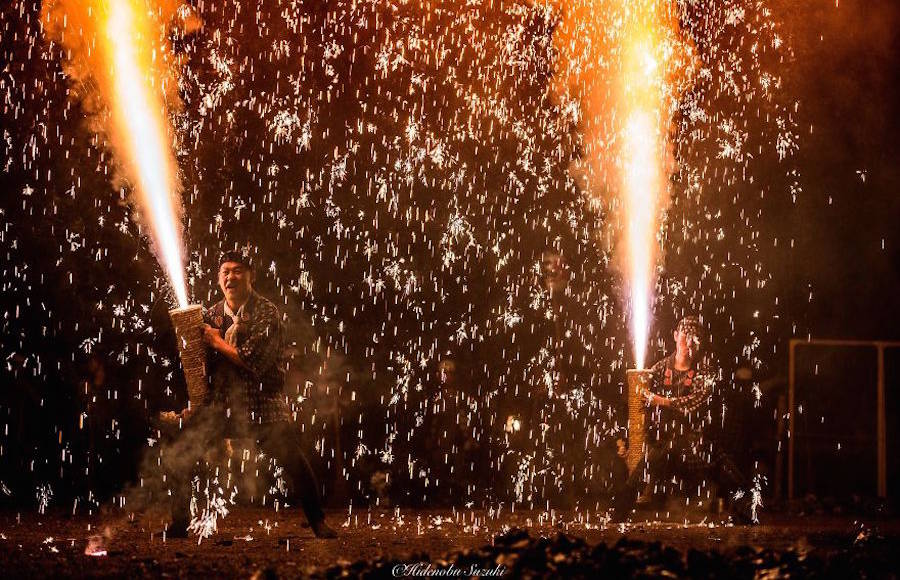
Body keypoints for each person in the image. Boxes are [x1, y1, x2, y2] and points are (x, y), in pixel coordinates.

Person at [162, 251, 336, 538]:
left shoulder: (267, 312)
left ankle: (318, 522)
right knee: (181, 450)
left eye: (237, 270)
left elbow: (255, 361)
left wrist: (216, 341)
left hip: (261, 403)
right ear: (219, 279)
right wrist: (194, 405)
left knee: (293, 460)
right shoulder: (210, 316)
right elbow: (198, 367)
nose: (230, 277)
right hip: (222, 405)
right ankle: (179, 524)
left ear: (250, 275)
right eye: (225, 272)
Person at [612, 316, 755, 524]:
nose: (689, 344)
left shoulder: (706, 370)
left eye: (695, 339)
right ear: (675, 336)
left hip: (695, 442)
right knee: (643, 469)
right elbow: (637, 403)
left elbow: (695, 401)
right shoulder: (660, 369)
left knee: (725, 470)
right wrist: (627, 437)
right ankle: (617, 515)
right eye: (685, 337)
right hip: (665, 442)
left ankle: (747, 513)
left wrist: (661, 401)